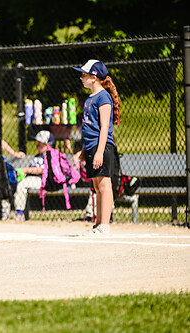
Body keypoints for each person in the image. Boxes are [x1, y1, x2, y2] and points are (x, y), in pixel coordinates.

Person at [73, 59, 121, 235]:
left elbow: (105, 127)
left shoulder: (103, 97)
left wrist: (100, 151)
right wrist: (86, 151)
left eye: (84, 75)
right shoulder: (89, 99)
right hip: (93, 147)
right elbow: (89, 128)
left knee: (104, 186)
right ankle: (98, 223)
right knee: (97, 186)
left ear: (94, 77)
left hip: (103, 147)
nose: (81, 78)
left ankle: (104, 225)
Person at [13, 130, 54, 222]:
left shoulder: (49, 155)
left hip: (43, 180)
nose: (37, 145)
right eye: (37, 143)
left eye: (40, 143)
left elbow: (43, 170)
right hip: (32, 179)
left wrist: (26, 170)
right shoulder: (38, 155)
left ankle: (19, 213)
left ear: (48, 144)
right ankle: (17, 212)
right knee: (19, 185)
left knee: (21, 186)